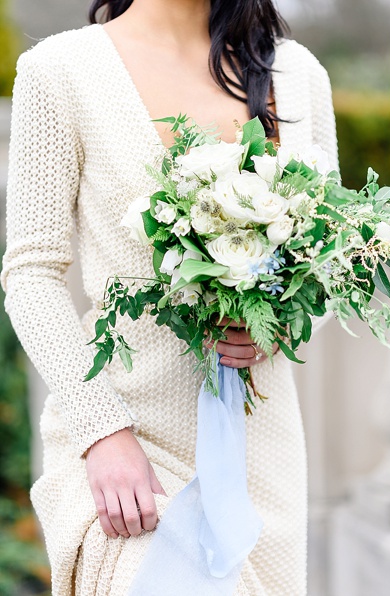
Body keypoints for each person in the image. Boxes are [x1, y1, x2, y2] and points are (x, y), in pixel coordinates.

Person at [1, 0, 337, 593]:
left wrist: (278, 322)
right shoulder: (59, 71)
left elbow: (329, 262)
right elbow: (30, 275)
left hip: (262, 449)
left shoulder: (298, 74)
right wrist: (102, 432)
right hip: (129, 445)